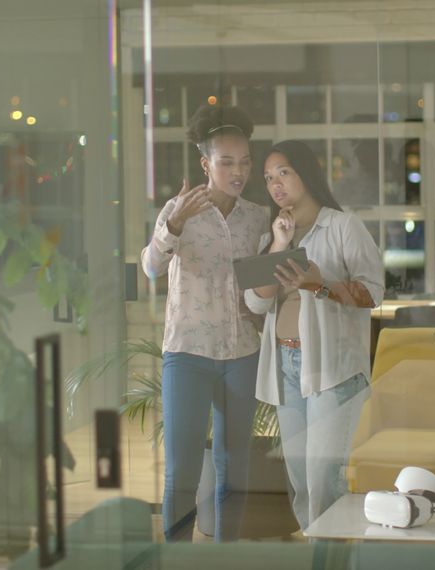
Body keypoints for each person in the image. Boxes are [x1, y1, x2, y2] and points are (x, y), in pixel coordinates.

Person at [140, 105, 269, 541]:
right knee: (181, 472)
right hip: (188, 355)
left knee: (234, 471)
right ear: (205, 164)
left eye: (245, 161)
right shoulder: (179, 210)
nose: (239, 171)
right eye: (227, 161)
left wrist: (259, 306)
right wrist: (171, 225)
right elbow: (151, 268)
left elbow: (260, 285)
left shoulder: (257, 217)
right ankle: (175, 559)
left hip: (242, 354)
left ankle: (226, 558)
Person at [244, 140, 384, 530]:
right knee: (301, 485)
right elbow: (256, 305)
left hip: (332, 370)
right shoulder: (271, 237)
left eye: (283, 173)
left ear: (307, 172)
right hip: (286, 368)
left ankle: (333, 557)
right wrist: (279, 244)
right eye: (269, 178)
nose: (276, 185)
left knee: (324, 483)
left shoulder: (343, 226)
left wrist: (319, 283)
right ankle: (319, 555)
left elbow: (373, 292)